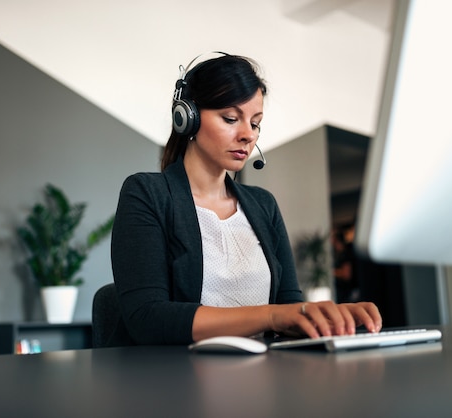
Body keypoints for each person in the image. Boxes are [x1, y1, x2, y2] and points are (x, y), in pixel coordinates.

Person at [110, 53, 381, 346]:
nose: (247, 135)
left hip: (266, 372)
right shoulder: (147, 193)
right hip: (181, 380)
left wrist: (324, 318)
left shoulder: (263, 205)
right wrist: (271, 316)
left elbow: (289, 305)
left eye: (255, 123)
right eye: (230, 118)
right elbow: (148, 318)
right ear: (187, 117)